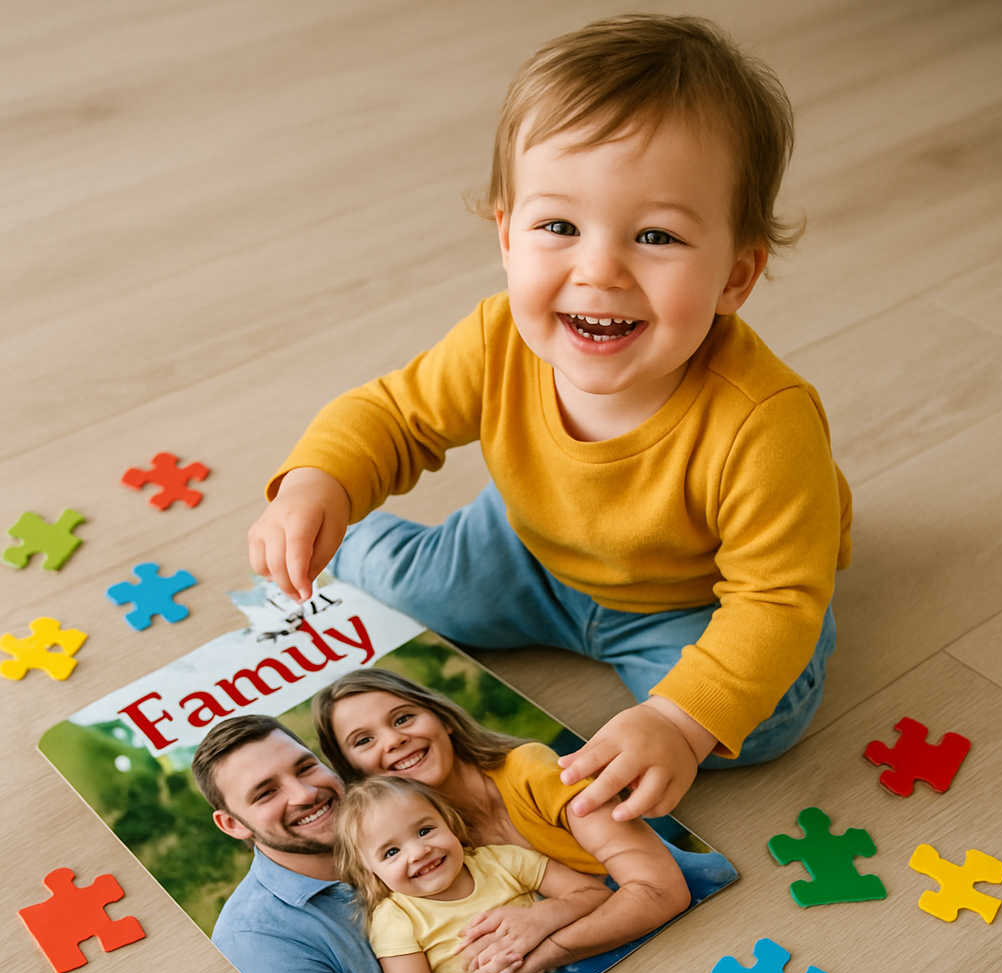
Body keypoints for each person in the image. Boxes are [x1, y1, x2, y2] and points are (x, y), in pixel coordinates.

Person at [248, 15, 852, 824]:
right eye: (559, 227)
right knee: (395, 581)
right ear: (506, 234)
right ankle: (337, 537)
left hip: (690, 600)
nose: (598, 269)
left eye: (656, 236)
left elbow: (773, 599)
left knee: (766, 721)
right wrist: (318, 484)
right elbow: (392, 415)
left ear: (736, 276)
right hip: (526, 548)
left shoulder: (765, 423)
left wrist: (677, 721)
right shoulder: (498, 337)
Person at [312, 669, 722, 973]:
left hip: (684, 908)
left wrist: (540, 940)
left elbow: (660, 891)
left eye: (403, 718)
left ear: (442, 719)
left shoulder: (530, 770)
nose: (394, 739)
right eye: (363, 741)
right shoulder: (427, 855)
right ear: (356, 774)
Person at [334, 776, 610, 973]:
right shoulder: (395, 916)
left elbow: (596, 894)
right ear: (370, 871)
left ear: (449, 822)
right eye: (391, 852)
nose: (418, 852)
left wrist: (540, 916)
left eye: (424, 830)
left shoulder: (503, 861)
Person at [191, 715, 405, 973]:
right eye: (266, 792)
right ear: (233, 824)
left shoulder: (410, 821)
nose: (305, 793)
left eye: (305, 768)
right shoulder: (255, 938)